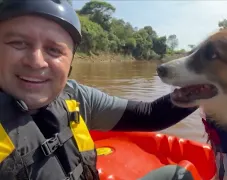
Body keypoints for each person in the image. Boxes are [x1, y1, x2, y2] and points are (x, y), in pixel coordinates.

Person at [0, 0, 198, 180]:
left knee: (178, 175)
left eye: (54, 50)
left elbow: (151, 115)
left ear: (69, 63)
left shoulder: (76, 96)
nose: (36, 62)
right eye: (18, 43)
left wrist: (206, 87)